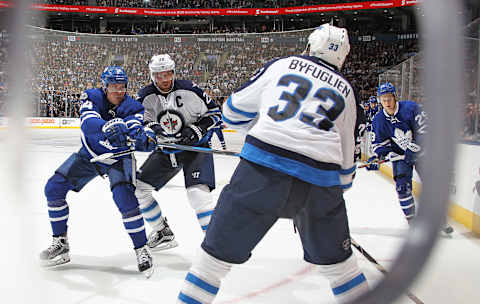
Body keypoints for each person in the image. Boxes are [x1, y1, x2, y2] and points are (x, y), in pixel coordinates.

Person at [177, 24, 369, 304]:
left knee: (211, 263)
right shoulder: (348, 92)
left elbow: (232, 111)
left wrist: (261, 129)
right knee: (343, 271)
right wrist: (326, 200)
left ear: (309, 47)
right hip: (321, 181)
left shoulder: (283, 65)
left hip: (262, 169)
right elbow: (346, 171)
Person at [39, 66, 157, 277]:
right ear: (104, 86)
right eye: (113, 86)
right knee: (53, 188)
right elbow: (87, 123)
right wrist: (106, 127)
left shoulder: (134, 107)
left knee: (125, 199)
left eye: (122, 86)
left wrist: (143, 138)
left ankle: (142, 249)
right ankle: (60, 243)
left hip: (118, 159)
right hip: (90, 155)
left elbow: (137, 128)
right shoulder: (91, 96)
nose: (118, 91)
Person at [135, 54, 222, 251]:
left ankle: (217, 245)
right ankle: (162, 233)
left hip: (196, 148)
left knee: (198, 196)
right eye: (159, 75)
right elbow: (142, 120)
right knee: (139, 189)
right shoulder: (144, 95)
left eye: (168, 74)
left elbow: (215, 114)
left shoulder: (190, 89)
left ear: (174, 72)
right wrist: (153, 129)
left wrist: (197, 130)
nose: (164, 79)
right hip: (167, 150)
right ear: (152, 75)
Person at [366, 82, 453, 234]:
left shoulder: (411, 108)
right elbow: (379, 143)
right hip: (401, 158)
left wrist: (415, 147)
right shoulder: (378, 120)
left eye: (389, 98)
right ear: (380, 100)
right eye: (383, 99)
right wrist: (377, 156)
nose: (387, 102)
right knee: (402, 188)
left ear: (395, 97)